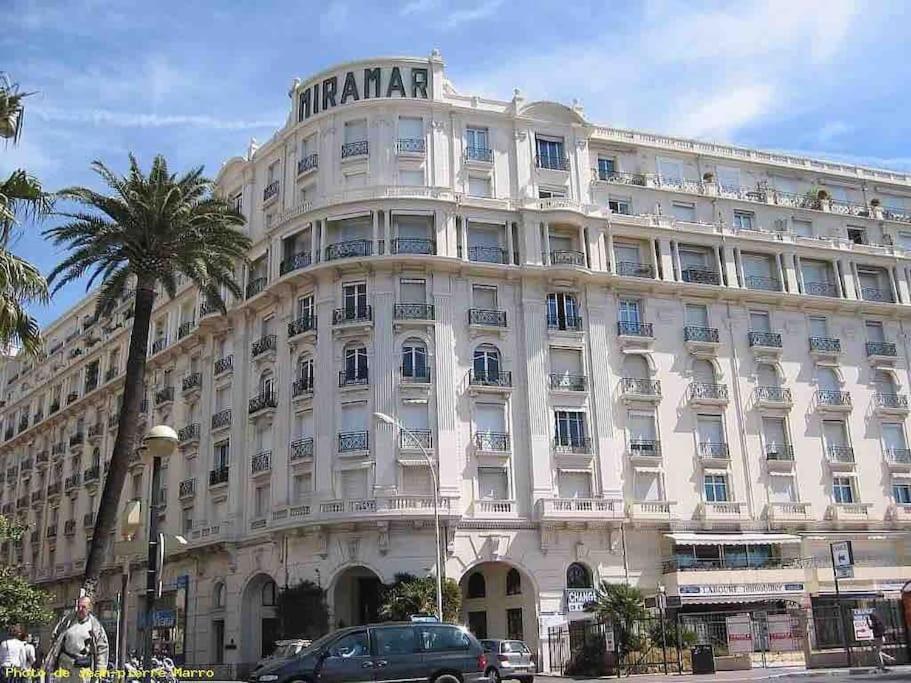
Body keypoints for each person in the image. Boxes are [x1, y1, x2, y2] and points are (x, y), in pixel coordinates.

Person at [43, 596, 109, 683]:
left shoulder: (95, 626)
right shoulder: (67, 621)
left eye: (83, 607)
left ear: (89, 608)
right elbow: (55, 639)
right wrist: (51, 662)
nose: (80, 609)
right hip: (65, 665)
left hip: (82, 667)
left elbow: (102, 647)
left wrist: (101, 669)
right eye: (79, 606)